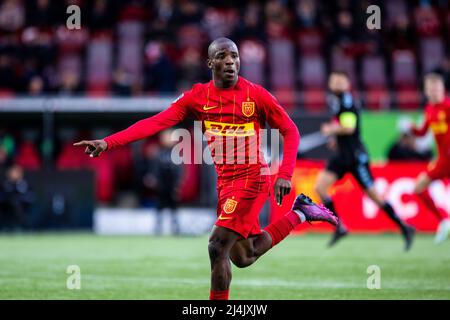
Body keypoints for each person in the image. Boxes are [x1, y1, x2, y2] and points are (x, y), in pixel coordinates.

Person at [74, 38, 338, 300]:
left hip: (252, 178)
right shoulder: (198, 97)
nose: (230, 62)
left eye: (234, 56)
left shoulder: (255, 95)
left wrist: (285, 175)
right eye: (223, 56)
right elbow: (155, 123)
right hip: (226, 184)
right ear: (210, 62)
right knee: (244, 256)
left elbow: (290, 130)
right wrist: (108, 142)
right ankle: (301, 213)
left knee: (216, 245)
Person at [315, 71, 415, 250]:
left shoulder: (346, 101)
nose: (336, 83)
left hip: (355, 157)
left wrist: (331, 129)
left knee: (374, 197)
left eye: (340, 80)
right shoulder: (336, 101)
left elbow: (349, 127)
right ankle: (340, 227)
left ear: (347, 84)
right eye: (334, 80)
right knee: (320, 187)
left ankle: (404, 227)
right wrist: (335, 139)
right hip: (342, 155)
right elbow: (344, 127)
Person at [410, 73, 450, 244]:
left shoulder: (448, 106)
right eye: (430, 88)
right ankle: (444, 221)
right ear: (426, 91)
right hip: (443, 160)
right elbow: (423, 132)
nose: (433, 91)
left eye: (436, 88)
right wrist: (412, 129)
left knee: (419, 186)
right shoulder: (429, 109)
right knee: (418, 188)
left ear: (443, 89)